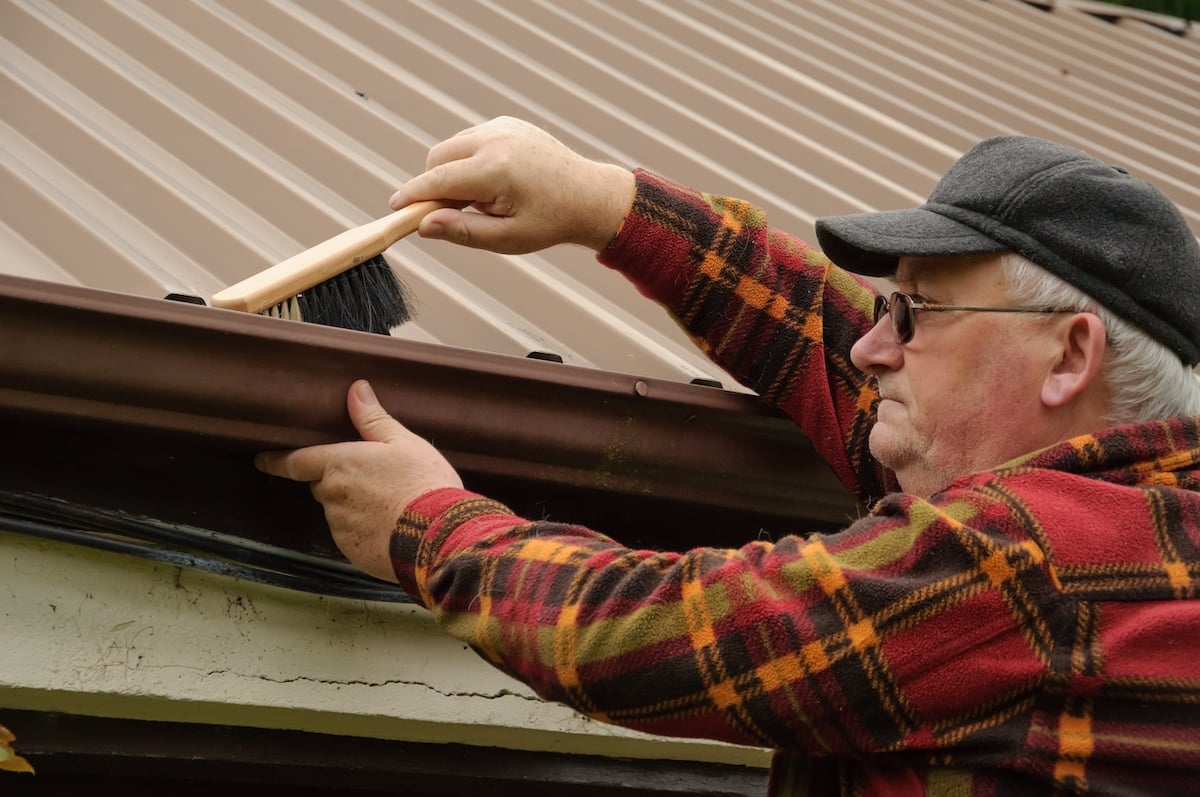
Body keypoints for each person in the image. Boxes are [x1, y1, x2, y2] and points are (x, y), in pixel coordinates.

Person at [256, 117, 1200, 795]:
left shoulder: (1028, 558)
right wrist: (603, 205)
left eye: (919, 310)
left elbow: (678, 632)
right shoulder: (1143, 535)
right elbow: (831, 343)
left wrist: (429, 527)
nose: (877, 347)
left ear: (1070, 355)